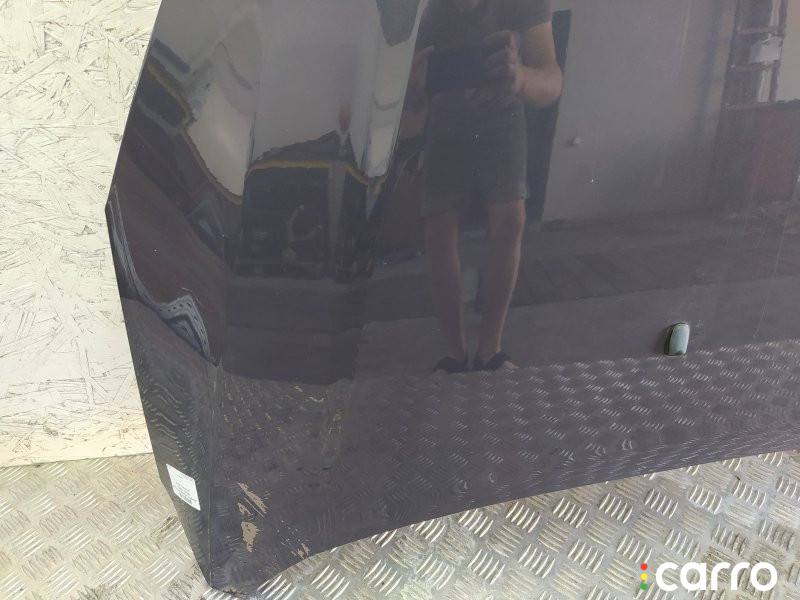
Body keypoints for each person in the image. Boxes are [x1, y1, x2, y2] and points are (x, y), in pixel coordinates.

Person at [407, 0, 563, 373]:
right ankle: (455, 354)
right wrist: (412, 89)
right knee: (437, 232)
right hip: (445, 120)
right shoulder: (432, 11)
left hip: (502, 115)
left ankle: (490, 350)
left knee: (511, 221)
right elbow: (414, 106)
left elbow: (552, 81)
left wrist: (520, 77)